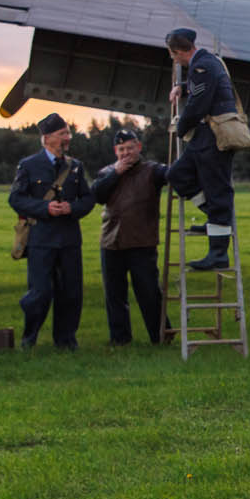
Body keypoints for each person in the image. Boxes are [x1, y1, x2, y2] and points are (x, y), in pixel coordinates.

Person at [9, 112, 95, 350]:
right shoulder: (28, 165)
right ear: (47, 138)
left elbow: (88, 199)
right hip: (41, 240)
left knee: (71, 293)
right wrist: (45, 208)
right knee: (40, 293)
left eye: (67, 133)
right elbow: (16, 198)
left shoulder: (75, 167)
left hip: (69, 240)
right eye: (62, 134)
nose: (67, 138)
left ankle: (66, 340)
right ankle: (29, 338)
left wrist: (72, 208)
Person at [164, 27, 239, 271]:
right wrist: (182, 86)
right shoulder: (205, 64)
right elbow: (202, 87)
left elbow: (198, 104)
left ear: (179, 52)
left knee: (217, 190)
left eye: (173, 54)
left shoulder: (202, 66)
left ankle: (218, 253)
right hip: (206, 138)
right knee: (177, 175)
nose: (173, 59)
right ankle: (214, 218)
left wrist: (181, 127)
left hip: (213, 137)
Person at [90, 127, 168, 345]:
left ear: (139, 147)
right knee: (114, 295)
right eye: (122, 149)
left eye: (130, 148)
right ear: (116, 151)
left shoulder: (151, 170)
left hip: (141, 242)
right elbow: (96, 195)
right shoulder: (107, 172)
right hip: (111, 242)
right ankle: (120, 338)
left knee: (149, 293)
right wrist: (116, 172)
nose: (126, 153)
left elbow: (170, 174)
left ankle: (161, 336)